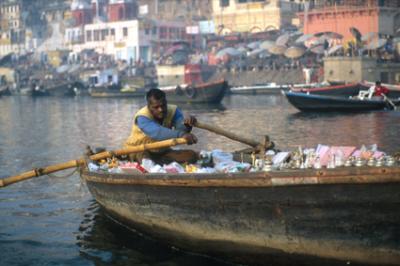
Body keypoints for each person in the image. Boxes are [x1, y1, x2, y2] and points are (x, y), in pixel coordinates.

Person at [124, 88, 199, 164]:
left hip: (162, 151)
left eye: (163, 105)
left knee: (191, 156)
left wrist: (188, 125)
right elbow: (157, 133)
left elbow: (181, 129)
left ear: (166, 102)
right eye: (156, 107)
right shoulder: (142, 117)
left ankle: (161, 163)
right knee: (147, 162)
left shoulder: (174, 110)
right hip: (138, 150)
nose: (161, 109)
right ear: (149, 106)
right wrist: (182, 134)